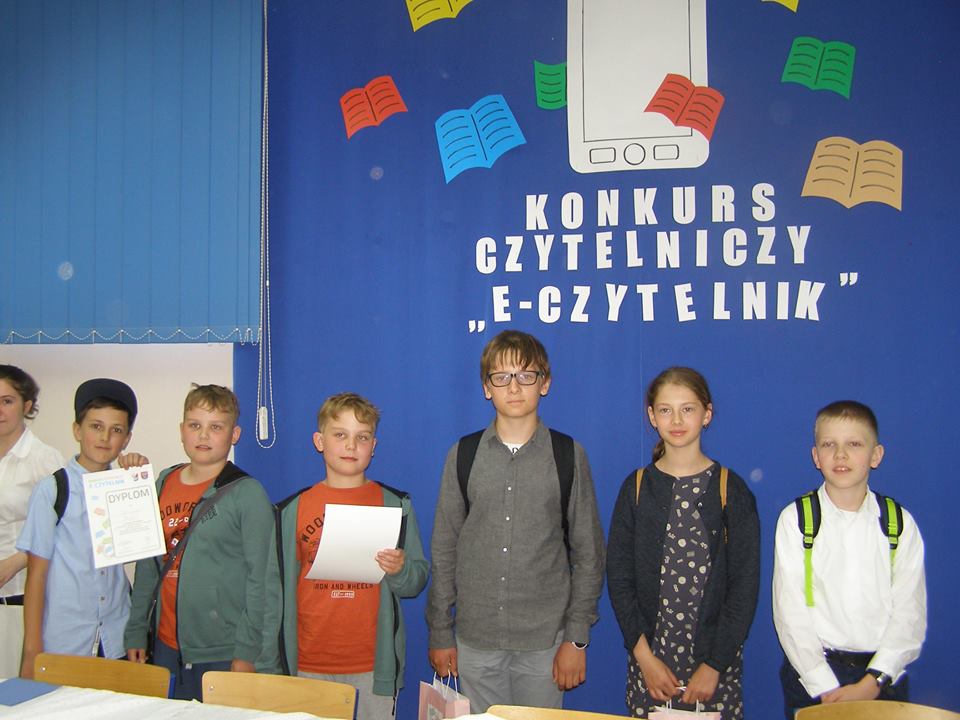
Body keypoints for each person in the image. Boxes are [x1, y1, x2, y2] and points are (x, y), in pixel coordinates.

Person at [426, 329, 605, 713]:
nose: (514, 387)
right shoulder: (463, 454)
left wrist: (576, 639)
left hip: (545, 641)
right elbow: (444, 548)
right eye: (501, 377)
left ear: (545, 383)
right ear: (486, 387)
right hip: (476, 640)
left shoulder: (568, 455)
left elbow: (589, 553)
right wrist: (440, 630)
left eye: (526, 375)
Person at [606, 367, 760, 720]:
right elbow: (620, 578)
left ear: (707, 414)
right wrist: (644, 659)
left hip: (714, 669)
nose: (676, 420)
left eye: (687, 409)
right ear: (652, 416)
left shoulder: (731, 490)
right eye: (666, 410)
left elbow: (744, 586)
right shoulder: (636, 488)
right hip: (651, 666)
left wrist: (715, 664)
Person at [272, 392, 429, 720]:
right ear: (320, 441)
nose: (351, 446)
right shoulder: (291, 510)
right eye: (340, 435)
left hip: (373, 666)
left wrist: (400, 570)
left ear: (374, 446)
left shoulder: (395, 505)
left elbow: (417, 580)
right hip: (307, 663)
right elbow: (274, 591)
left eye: (362, 437)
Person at [772, 400, 926, 719]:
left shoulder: (899, 523)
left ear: (876, 455)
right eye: (829, 444)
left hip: (882, 679)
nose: (840, 455)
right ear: (816, 456)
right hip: (814, 679)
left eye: (854, 444)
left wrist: (874, 680)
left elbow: (910, 613)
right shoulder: (796, 519)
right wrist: (824, 685)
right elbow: (790, 613)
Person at [124, 384, 277, 700]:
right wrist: (137, 629)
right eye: (195, 425)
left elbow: (261, 580)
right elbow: (148, 565)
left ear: (234, 435)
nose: (204, 435)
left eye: (216, 427)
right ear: (182, 430)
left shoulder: (247, 494)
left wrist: (248, 652)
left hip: (222, 650)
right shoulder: (163, 482)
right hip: (166, 646)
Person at [17, 378, 146, 677]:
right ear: (77, 430)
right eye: (95, 426)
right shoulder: (52, 490)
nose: (105, 437)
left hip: (116, 638)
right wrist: (32, 651)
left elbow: (141, 551)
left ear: (127, 439)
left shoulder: (126, 485)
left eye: (116, 430)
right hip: (65, 641)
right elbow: (36, 576)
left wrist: (136, 481)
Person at [0, 365, 63, 678]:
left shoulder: (44, 459)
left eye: (7, 401)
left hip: (17, 597)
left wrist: (13, 563)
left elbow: (62, 528)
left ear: (26, 406)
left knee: (15, 689)